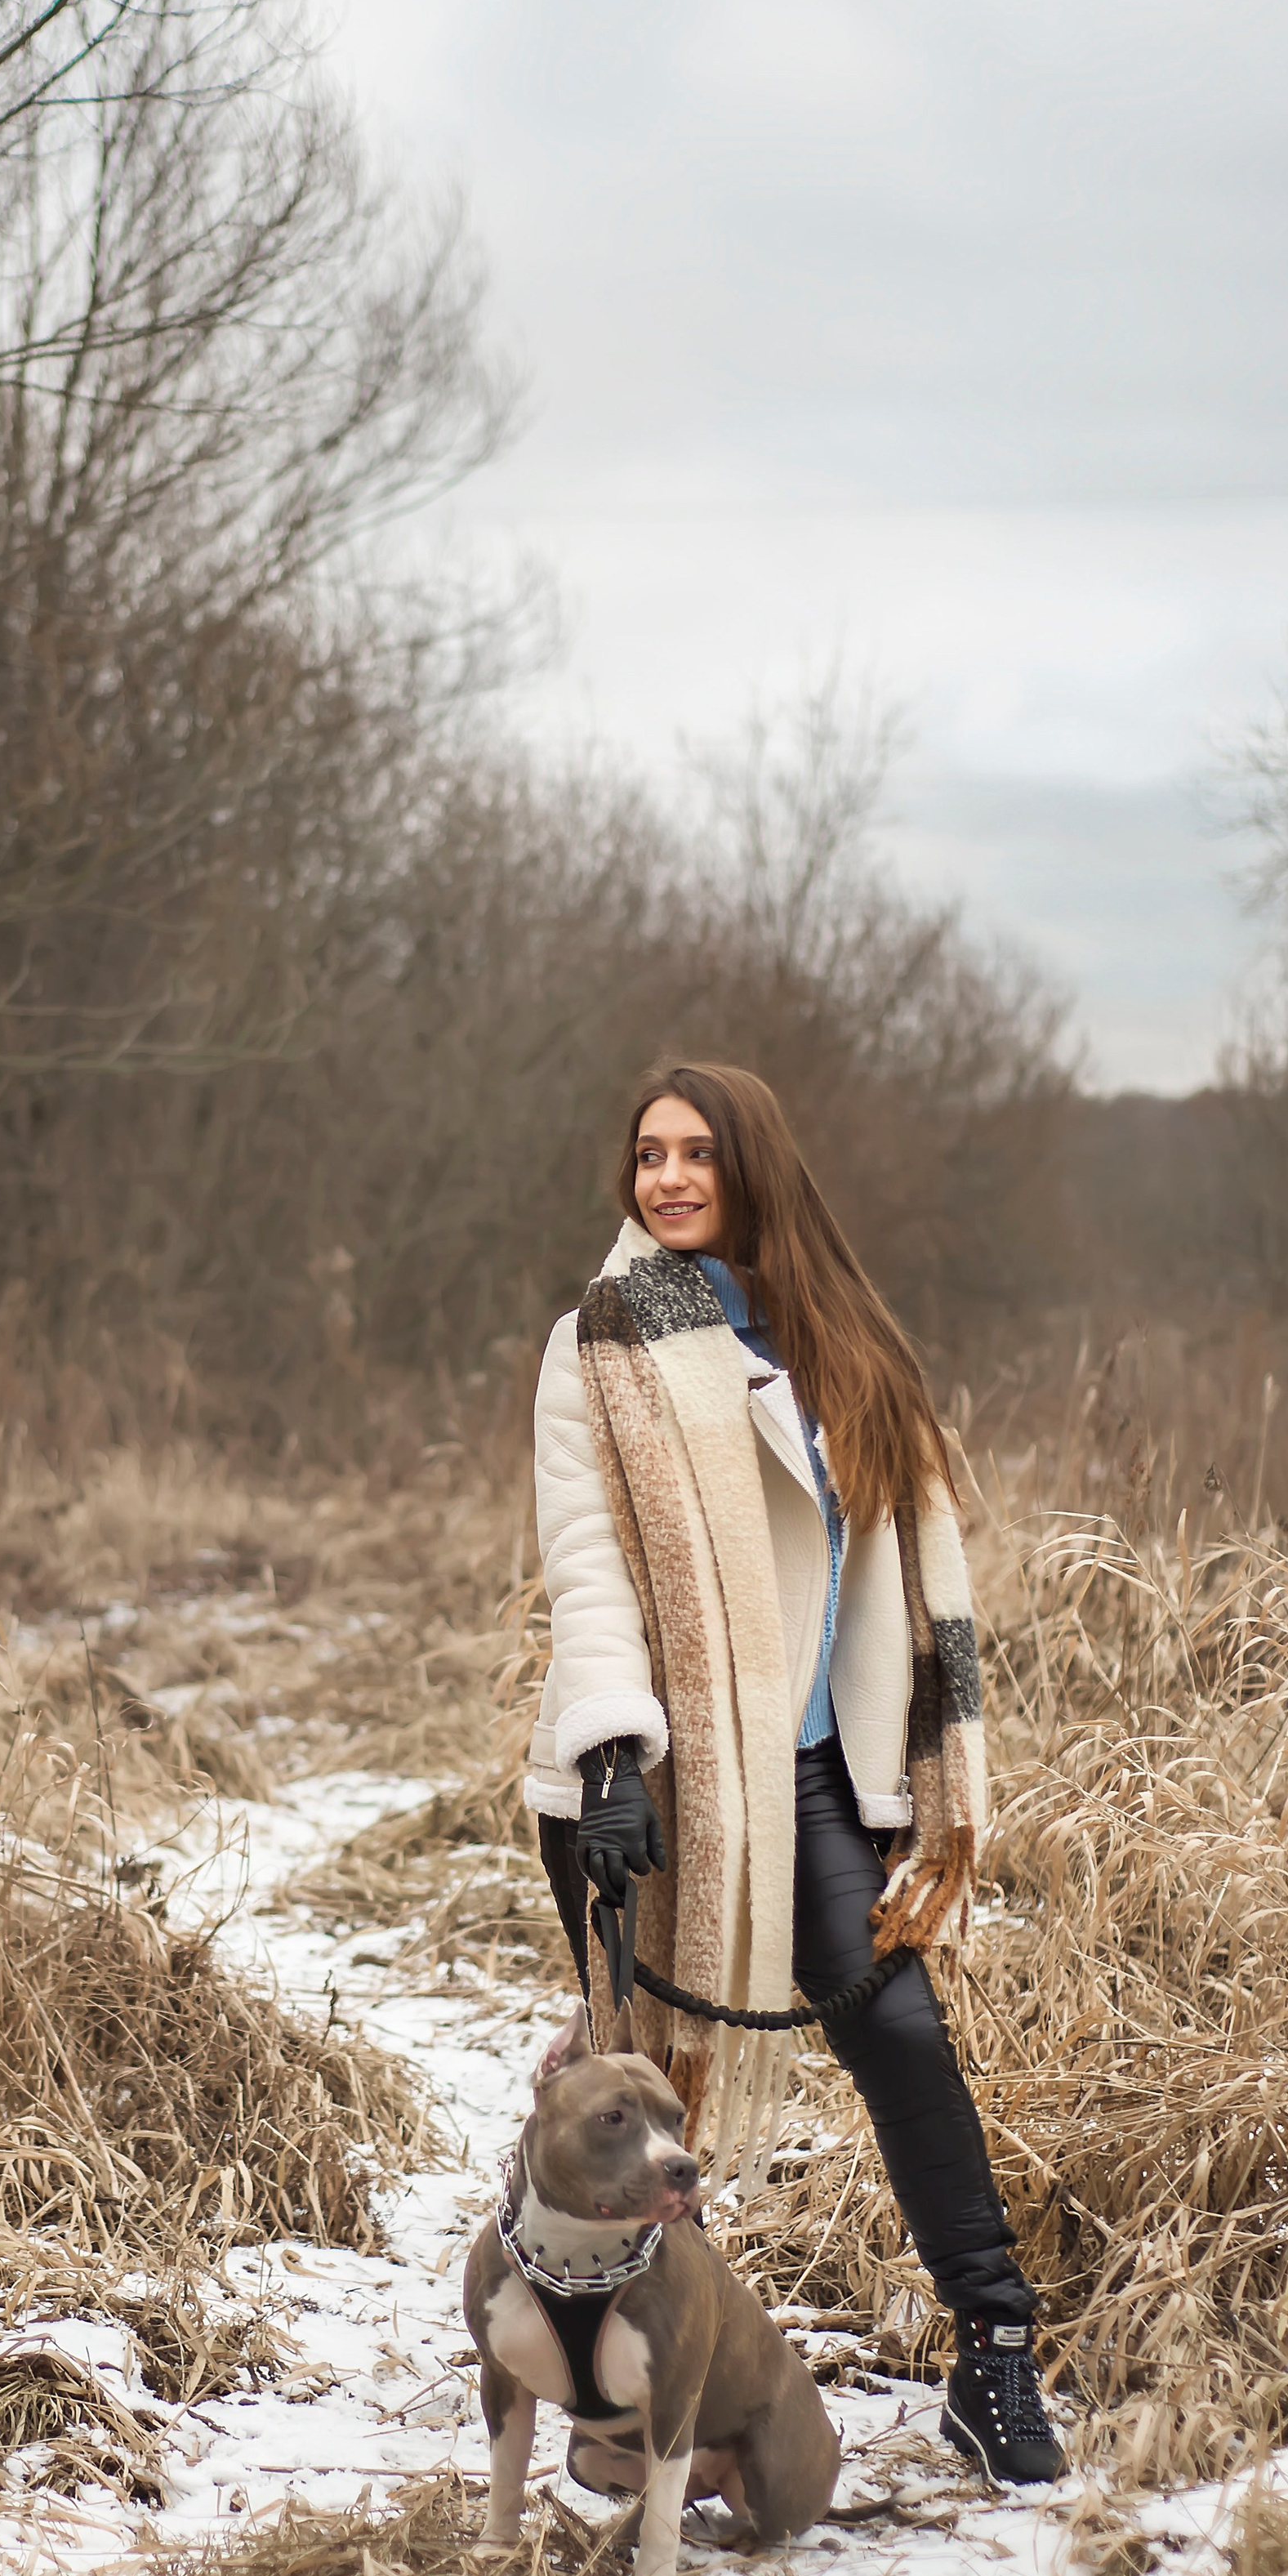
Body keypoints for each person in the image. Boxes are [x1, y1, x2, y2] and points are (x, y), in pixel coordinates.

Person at [524, 1060, 1062, 2484]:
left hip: (814, 1772)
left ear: (753, 1167)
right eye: (648, 1155)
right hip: (650, 1775)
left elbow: (901, 1563)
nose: (670, 1179)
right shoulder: (598, 1344)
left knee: (899, 2040)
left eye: (698, 1153)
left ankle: (994, 2354)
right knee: (645, 2097)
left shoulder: (837, 1341)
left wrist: (914, 1778)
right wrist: (617, 1754)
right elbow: (586, 1572)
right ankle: (632, 2405)